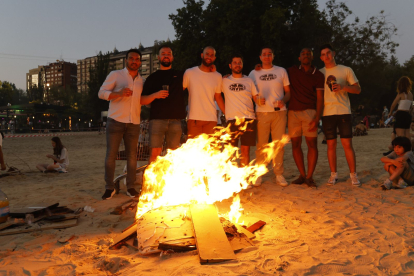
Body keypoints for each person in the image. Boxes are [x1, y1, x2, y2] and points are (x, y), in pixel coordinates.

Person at [98, 49, 143, 200]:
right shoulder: (116, 75)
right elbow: (101, 93)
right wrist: (119, 94)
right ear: (126, 60)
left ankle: (130, 187)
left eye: (137, 59)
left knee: (132, 157)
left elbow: (140, 101)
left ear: (140, 62)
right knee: (111, 155)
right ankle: (109, 188)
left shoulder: (140, 80)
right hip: (116, 121)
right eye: (131, 58)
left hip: (133, 123)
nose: (134, 61)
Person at [319, 44, 361, 187]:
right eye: (323, 54)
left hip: (343, 110)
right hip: (327, 112)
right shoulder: (320, 73)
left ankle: (353, 175)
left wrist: (343, 87)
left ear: (334, 53)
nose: (326, 56)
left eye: (328, 53)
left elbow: (358, 89)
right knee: (331, 145)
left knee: (347, 144)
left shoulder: (346, 70)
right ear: (321, 58)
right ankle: (333, 174)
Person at [249, 47, 291, 187]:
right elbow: (248, 92)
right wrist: (256, 100)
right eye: (264, 55)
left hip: (279, 112)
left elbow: (288, 92)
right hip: (261, 113)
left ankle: (278, 173)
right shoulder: (253, 73)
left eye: (269, 54)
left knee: (278, 144)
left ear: (273, 56)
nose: (267, 57)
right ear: (260, 57)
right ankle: (259, 174)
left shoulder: (281, 71)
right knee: (261, 145)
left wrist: (283, 101)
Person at [141, 46, 186, 163]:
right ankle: (151, 181)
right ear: (158, 57)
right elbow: (142, 100)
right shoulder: (152, 78)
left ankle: (169, 180)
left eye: (169, 53)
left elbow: (198, 75)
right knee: (155, 153)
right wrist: (155, 95)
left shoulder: (181, 75)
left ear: (172, 57)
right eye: (163, 53)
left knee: (173, 154)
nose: (166, 55)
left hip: (176, 121)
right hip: (157, 120)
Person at [287, 48, 325, 188]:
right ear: (299, 58)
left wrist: (317, 118)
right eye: (303, 54)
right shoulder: (291, 71)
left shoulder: (318, 75)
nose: (305, 55)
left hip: (310, 112)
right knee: (295, 144)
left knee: (312, 144)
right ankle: (302, 175)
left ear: (312, 57)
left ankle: (309, 176)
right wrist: (258, 68)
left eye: (308, 54)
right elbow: (275, 72)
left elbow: (320, 98)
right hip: (293, 113)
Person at [218, 54, 260, 175]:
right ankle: (231, 177)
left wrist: (260, 101)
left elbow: (256, 98)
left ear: (242, 65)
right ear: (230, 65)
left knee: (245, 151)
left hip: (248, 119)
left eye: (239, 62)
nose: (237, 65)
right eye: (235, 63)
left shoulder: (249, 80)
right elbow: (217, 95)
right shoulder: (224, 80)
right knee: (230, 151)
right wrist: (225, 111)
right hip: (232, 120)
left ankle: (243, 177)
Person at [183, 46, 222, 138]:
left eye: (212, 55)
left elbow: (218, 97)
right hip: (194, 119)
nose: (209, 56)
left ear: (214, 58)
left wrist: (228, 115)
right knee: (194, 150)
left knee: (211, 151)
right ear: (202, 55)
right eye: (207, 54)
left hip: (211, 119)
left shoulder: (218, 76)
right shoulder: (190, 73)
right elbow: (179, 91)